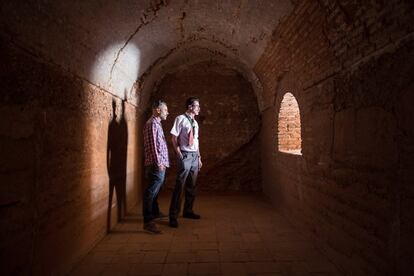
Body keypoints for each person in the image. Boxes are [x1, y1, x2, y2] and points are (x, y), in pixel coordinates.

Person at [169, 97, 203, 228]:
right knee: (179, 186)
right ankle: (173, 216)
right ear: (190, 107)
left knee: (192, 186)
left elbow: (196, 141)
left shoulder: (195, 122)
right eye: (197, 106)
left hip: (194, 156)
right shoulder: (180, 119)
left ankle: (188, 211)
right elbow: (173, 138)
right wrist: (179, 154)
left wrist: (199, 157)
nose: (199, 108)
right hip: (185, 155)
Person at [142, 100, 169, 234]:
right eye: (165, 110)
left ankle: (155, 212)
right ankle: (148, 221)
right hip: (155, 163)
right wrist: (159, 163)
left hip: (158, 162)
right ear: (158, 110)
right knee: (150, 192)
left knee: (155, 190)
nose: (167, 113)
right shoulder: (152, 123)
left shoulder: (156, 123)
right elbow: (153, 145)